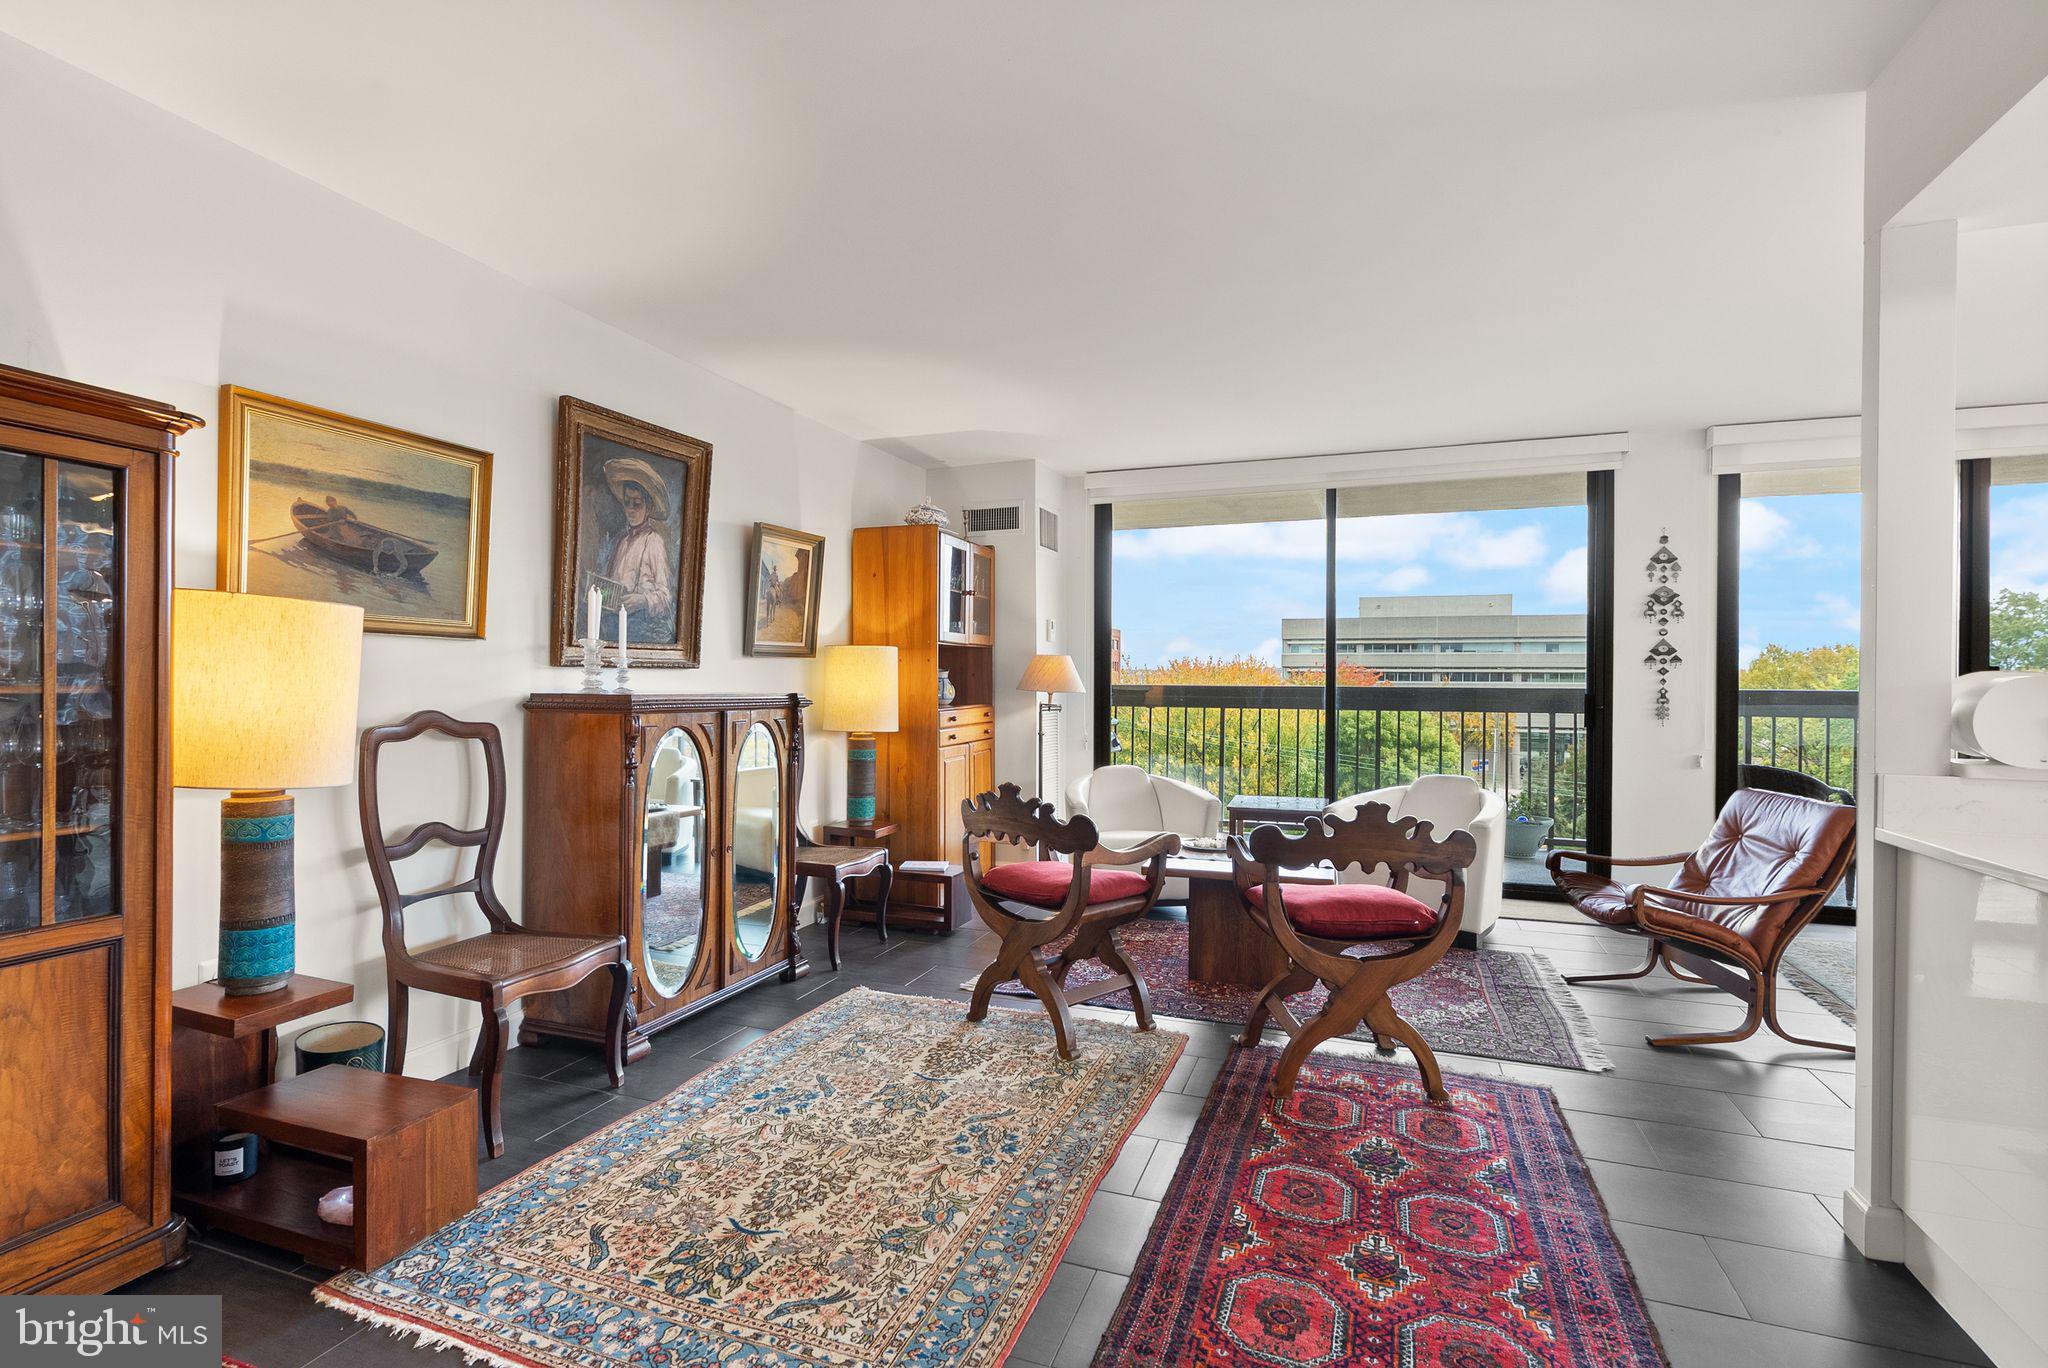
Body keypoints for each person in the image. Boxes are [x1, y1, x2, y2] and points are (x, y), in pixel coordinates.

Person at [600, 456, 674, 627]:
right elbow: (612, 586)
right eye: (627, 503)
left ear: (648, 507)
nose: (631, 510)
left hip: (642, 625)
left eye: (637, 504)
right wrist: (601, 592)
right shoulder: (622, 541)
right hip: (615, 622)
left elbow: (665, 596)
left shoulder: (653, 541)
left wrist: (642, 600)